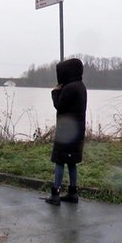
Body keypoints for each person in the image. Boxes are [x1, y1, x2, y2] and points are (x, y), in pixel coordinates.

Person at [45, 58, 87, 205]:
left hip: (66, 132)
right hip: (77, 132)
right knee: (72, 162)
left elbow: (59, 105)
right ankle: (72, 192)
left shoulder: (70, 88)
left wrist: (55, 92)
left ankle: (55, 193)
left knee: (60, 161)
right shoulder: (80, 86)